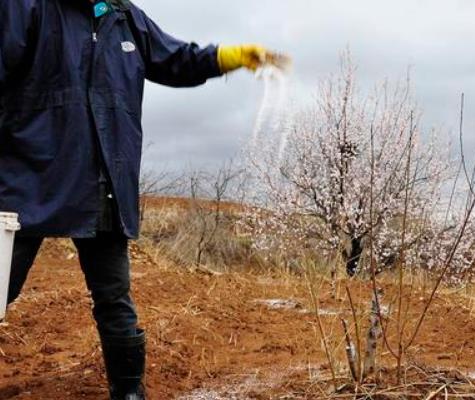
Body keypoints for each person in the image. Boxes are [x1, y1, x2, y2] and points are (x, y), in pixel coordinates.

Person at [0, 0, 285, 398]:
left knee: (114, 297)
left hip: (104, 180)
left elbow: (176, 60)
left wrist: (225, 57)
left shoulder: (124, 16)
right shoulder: (27, 7)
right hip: (28, 178)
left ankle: (129, 392)